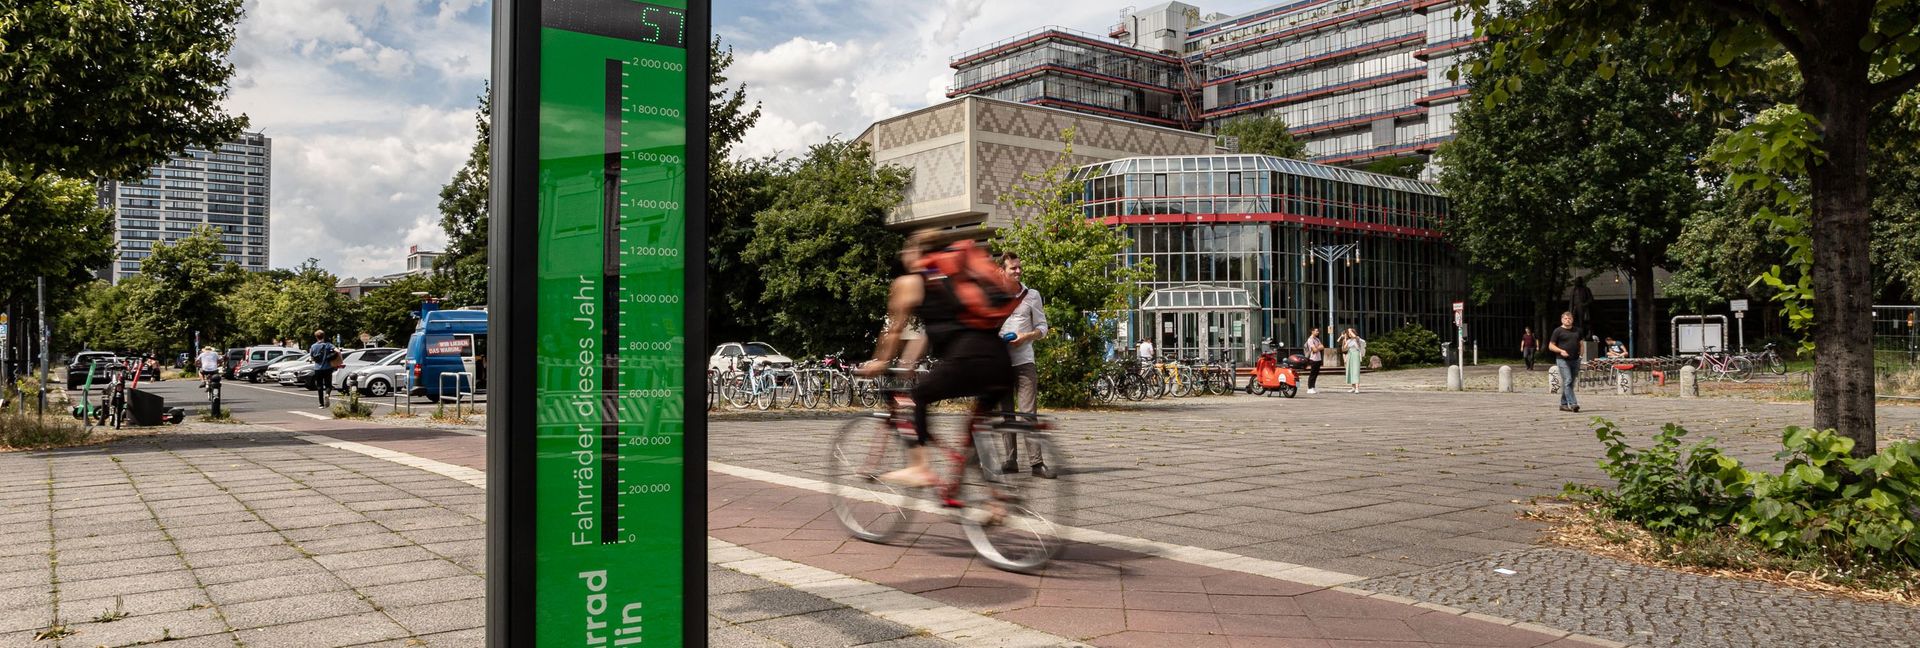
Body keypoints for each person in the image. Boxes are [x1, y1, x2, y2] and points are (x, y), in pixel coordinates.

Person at [858, 231, 1016, 488]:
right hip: (999, 360)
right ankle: (997, 502)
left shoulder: (913, 280)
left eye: (906, 251)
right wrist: (908, 363)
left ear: (915, 252)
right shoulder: (956, 278)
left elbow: (895, 329)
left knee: (916, 397)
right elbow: (925, 335)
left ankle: (919, 467)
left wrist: (880, 361)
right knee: (974, 429)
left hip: (966, 358)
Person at [996, 252, 1053, 479]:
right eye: (1013, 268)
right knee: (1006, 414)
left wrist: (1026, 335)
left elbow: (1043, 328)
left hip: (1024, 362)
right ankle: (1010, 460)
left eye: (1019, 267)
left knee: (1028, 413)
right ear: (1003, 271)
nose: (1018, 271)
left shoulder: (1032, 296)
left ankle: (1037, 464)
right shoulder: (994, 297)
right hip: (1000, 363)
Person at [1547, 311, 1583, 412]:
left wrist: (1581, 356)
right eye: (1566, 318)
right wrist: (1561, 351)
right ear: (1562, 320)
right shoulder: (1558, 331)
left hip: (1575, 359)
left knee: (1570, 383)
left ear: (1572, 319)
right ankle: (1573, 404)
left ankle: (1563, 404)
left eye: (1570, 318)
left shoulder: (1578, 331)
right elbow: (1551, 346)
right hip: (1562, 360)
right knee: (1568, 380)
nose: (1568, 320)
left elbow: (1581, 344)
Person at [308, 330, 339, 407]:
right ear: (323, 336)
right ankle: (327, 394)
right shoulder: (328, 345)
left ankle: (321, 404)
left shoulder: (313, 346)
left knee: (319, 386)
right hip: (327, 368)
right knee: (328, 385)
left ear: (316, 337)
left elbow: (311, 357)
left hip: (317, 369)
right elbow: (337, 351)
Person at [1340, 327, 1366, 393]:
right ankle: (1353, 387)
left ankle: (1357, 388)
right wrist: (1345, 338)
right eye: (1348, 333)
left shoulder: (1357, 339)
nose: (1349, 334)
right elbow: (1344, 349)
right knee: (1350, 370)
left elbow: (1355, 337)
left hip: (1356, 355)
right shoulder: (1349, 340)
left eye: (1350, 332)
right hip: (1350, 355)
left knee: (1355, 370)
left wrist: (1350, 330)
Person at [1303, 327, 1326, 394]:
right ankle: (1309, 388)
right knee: (1312, 374)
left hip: (1318, 358)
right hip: (1313, 359)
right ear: (1312, 332)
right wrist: (1318, 347)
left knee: (1316, 374)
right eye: (1316, 331)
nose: (1318, 332)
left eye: (1318, 331)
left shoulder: (1317, 339)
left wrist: (1317, 348)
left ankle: (1313, 387)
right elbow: (1314, 350)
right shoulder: (1310, 340)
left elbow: (1322, 347)